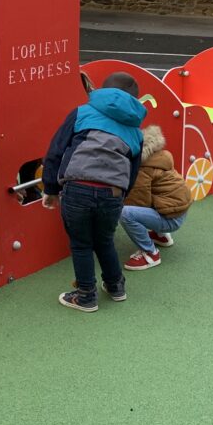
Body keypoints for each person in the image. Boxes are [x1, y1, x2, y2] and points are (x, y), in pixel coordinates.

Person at [42, 72, 147, 312]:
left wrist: (50, 187)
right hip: (112, 192)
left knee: (81, 243)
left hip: (78, 187)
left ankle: (86, 295)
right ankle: (115, 286)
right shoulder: (135, 132)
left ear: (102, 91)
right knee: (105, 240)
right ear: (134, 101)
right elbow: (132, 171)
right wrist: (120, 197)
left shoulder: (82, 112)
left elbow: (56, 150)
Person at [118, 125, 193, 269]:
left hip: (171, 218)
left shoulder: (142, 168)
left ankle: (150, 253)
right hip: (177, 211)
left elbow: (139, 201)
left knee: (125, 213)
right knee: (155, 194)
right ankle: (161, 236)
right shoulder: (158, 156)